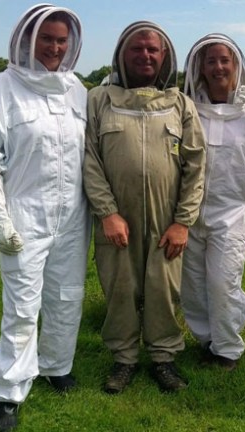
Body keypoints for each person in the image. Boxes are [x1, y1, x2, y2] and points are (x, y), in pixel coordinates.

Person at [0, 5, 90, 431]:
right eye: (47, 39)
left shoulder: (78, 90)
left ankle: (57, 365)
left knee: (67, 296)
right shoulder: (4, 87)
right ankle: (10, 392)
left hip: (73, 217)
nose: (55, 48)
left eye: (61, 41)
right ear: (28, 40)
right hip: (25, 215)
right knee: (21, 307)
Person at [83, 21, 206, 394]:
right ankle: (123, 360)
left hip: (166, 219)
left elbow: (196, 165)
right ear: (122, 54)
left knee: (162, 288)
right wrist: (107, 212)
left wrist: (183, 222)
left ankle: (164, 358)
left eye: (153, 49)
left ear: (164, 55)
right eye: (136, 49)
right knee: (119, 287)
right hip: (116, 219)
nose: (145, 55)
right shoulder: (98, 100)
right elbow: (89, 159)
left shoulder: (181, 104)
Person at [181, 34, 245, 371]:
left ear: (236, 65)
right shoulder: (188, 108)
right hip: (190, 212)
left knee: (223, 283)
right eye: (210, 61)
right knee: (193, 285)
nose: (218, 67)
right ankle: (207, 341)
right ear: (200, 67)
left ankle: (227, 349)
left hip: (232, 213)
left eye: (224, 60)